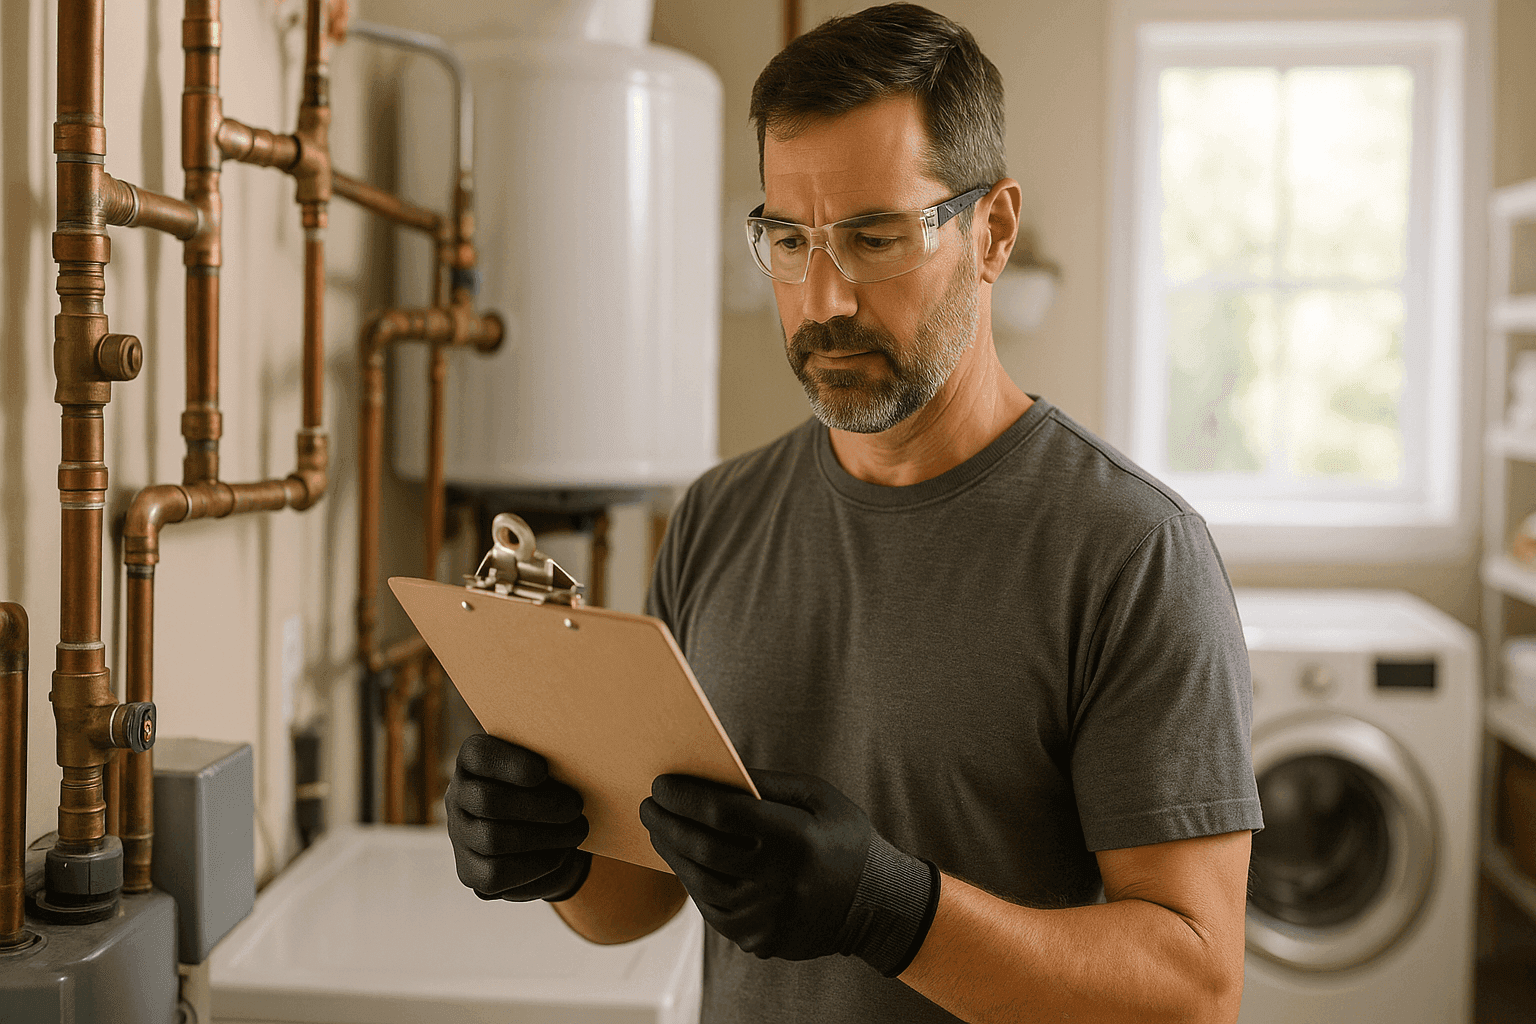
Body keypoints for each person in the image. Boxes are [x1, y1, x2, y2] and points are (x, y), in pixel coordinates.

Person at [445, 5, 1263, 1022]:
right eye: (789, 240)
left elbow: (1194, 988)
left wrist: (890, 912)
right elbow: (642, 897)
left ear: (992, 232)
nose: (823, 297)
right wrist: (551, 851)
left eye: (875, 238)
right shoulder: (719, 518)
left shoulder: (1133, 554)